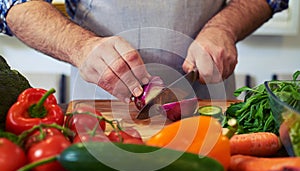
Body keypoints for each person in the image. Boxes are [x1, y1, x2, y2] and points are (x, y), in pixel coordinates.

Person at [1, 0, 289, 103]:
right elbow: (14, 3)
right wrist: (80, 46)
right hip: (100, 101)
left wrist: (225, 27)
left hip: (207, 95)